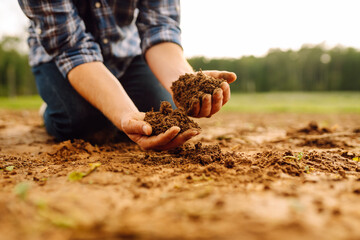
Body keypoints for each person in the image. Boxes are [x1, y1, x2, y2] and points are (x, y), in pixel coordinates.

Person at [18, 0, 236, 150]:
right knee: (81, 123)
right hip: (60, 59)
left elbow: (159, 27)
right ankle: (51, 110)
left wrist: (185, 81)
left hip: (126, 52)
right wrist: (123, 114)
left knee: (161, 109)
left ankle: (112, 100)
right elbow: (72, 48)